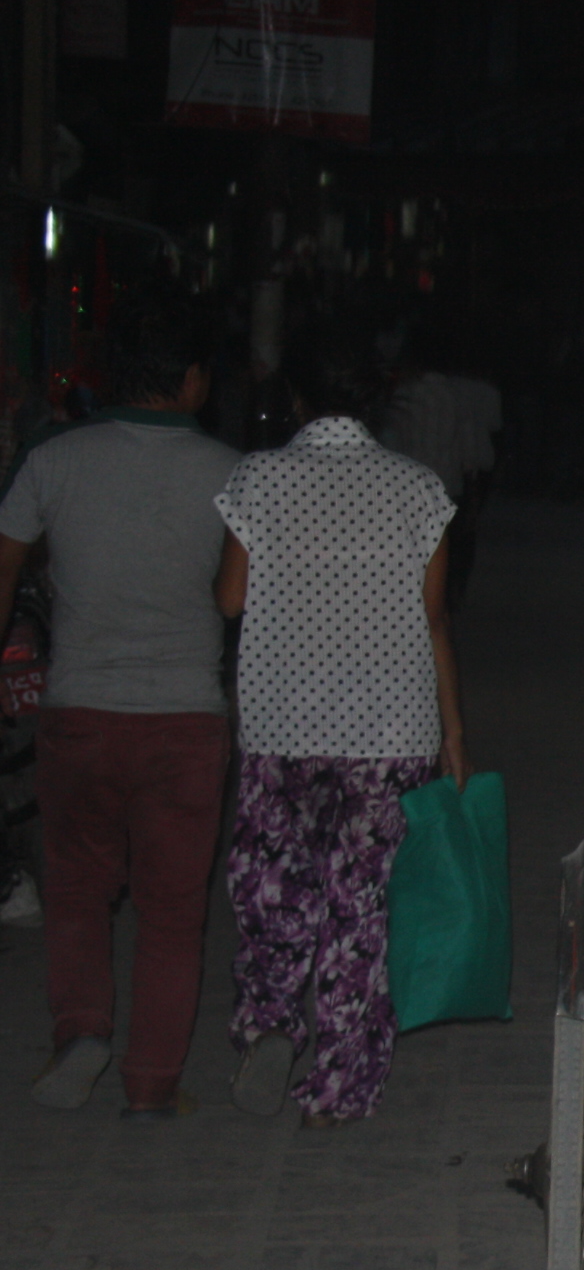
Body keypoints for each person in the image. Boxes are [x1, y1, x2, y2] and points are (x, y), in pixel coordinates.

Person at [215, 359, 470, 1125]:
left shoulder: (257, 480)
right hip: (390, 730)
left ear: (296, 403)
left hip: (282, 722)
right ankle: (336, 1088)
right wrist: (454, 733)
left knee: (274, 886)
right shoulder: (418, 489)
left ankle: (269, 1019)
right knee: (361, 908)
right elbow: (433, 620)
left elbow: (231, 600)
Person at [0, 305, 240, 1116]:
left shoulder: (52, 459)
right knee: (173, 912)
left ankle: (81, 1031)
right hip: (186, 719)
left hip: (79, 712)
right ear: (194, 380)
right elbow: (244, 600)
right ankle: (152, 1084)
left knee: (75, 892)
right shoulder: (230, 471)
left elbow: (2, 578)